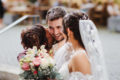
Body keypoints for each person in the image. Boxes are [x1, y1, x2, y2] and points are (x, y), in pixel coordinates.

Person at [54, 11, 108, 80]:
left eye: (62, 28)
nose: (61, 32)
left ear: (69, 31)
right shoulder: (82, 52)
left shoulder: (79, 56)